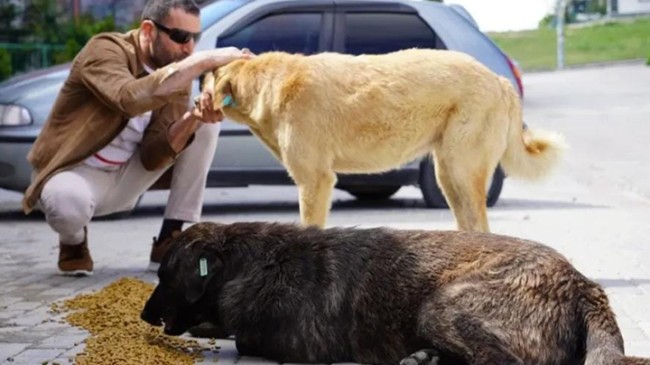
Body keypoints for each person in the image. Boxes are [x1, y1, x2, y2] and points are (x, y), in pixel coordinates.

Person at [21, 0, 252, 276]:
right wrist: (202, 61)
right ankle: (74, 242)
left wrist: (193, 119)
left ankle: (170, 238)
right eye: (180, 36)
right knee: (68, 205)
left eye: (195, 38)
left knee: (203, 123)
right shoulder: (105, 49)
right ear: (148, 30)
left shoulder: (175, 68)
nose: (188, 47)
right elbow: (127, 98)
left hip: (128, 174)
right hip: (76, 171)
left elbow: (154, 155)